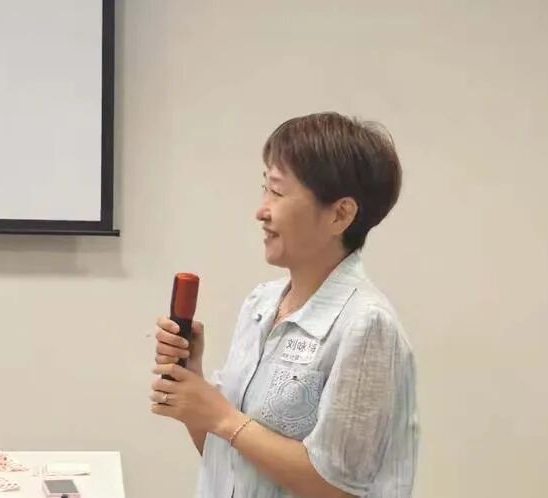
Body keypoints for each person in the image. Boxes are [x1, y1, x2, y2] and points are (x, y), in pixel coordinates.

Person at [149, 111, 418, 497]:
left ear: (340, 214)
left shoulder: (367, 324)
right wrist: (193, 386)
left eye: (277, 192)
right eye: (265, 189)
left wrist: (222, 418)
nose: (261, 210)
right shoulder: (261, 303)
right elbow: (227, 460)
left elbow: (340, 489)